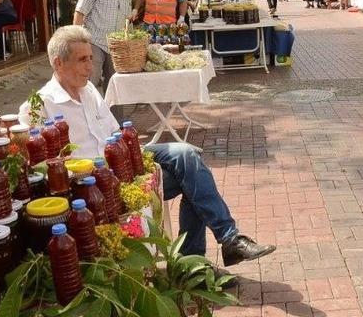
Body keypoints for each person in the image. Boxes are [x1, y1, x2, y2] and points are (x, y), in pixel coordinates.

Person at [18, 25, 277, 267]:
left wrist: (130, 157)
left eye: (90, 58)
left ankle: (227, 241)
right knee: (195, 181)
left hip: (121, 161)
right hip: (95, 186)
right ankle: (199, 263)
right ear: (58, 63)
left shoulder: (90, 92)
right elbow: (40, 169)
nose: (90, 66)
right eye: (82, 60)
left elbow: (115, 134)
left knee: (186, 154)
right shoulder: (40, 105)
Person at [73, 0, 135, 91]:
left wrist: (128, 40)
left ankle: (114, 115)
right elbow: (80, 12)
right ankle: (85, 113)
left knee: (115, 87)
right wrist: (77, 43)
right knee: (88, 85)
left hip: (115, 45)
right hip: (95, 42)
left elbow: (126, 18)